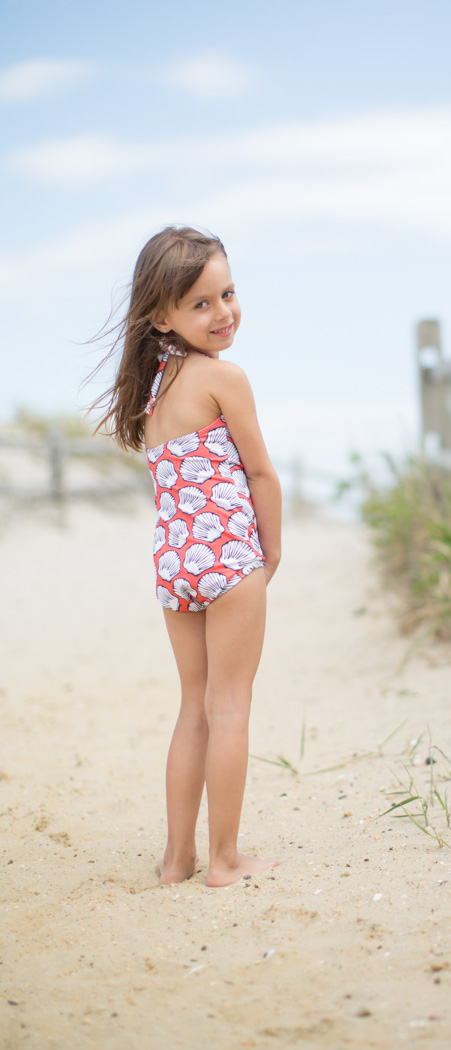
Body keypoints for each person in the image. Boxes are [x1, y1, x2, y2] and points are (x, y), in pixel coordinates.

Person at [92, 226, 281, 887]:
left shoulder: (150, 394)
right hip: (229, 558)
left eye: (227, 294)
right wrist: (269, 553)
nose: (223, 312)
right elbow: (261, 475)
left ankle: (177, 859)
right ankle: (225, 860)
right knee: (230, 705)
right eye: (201, 303)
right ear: (161, 315)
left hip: (175, 564)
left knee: (193, 706)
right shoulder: (224, 378)